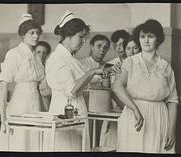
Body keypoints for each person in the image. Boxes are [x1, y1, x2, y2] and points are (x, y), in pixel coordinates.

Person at [113, 19, 178, 153]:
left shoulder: (165, 66)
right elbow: (117, 86)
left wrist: (171, 130)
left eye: (150, 36)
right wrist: (135, 109)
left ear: (158, 39)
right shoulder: (129, 62)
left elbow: (172, 100)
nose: (146, 40)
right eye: (142, 37)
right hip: (133, 116)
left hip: (158, 117)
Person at [44, 10, 106, 151]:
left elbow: (83, 82)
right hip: (63, 113)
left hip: (75, 113)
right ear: (68, 35)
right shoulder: (57, 59)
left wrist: (100, 75)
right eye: (81, 37)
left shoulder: (70, 59)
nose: (84, 41)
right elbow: (72, 90)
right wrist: (91, 73)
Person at [0, 13, 45, 151]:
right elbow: (3, 85)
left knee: (34, 142)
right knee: (20, 142)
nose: (36, 36)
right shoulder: (14, 54)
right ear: (23, 35)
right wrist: (3, 117)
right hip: (20, 104)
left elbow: (42, 85)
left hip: (36, 105)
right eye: (32, 33)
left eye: (37, 33)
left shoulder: (37, 57)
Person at [98, 36, 141, 149]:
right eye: (128, 48)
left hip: (140, 111)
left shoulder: (145, 68)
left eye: (135, 48)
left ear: (140, 49)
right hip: (121, 111)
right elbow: (113, 92)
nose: (131, 52)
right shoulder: (119, 68)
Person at [35, 41, 52, 111]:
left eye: (44, 53)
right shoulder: (30, 68)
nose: (41, 55)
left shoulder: (49, 68)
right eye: (38, 52)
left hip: (46, 100)